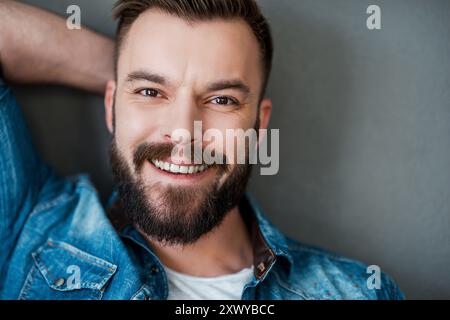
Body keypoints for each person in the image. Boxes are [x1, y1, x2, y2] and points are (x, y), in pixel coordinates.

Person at [0, 0, 404, 300]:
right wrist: (127, 64)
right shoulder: (30, 228)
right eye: (150, 91)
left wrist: (143, 76)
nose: (183, 132)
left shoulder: (359, 292)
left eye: (222, 100)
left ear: (259, 124)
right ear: (112, 106)